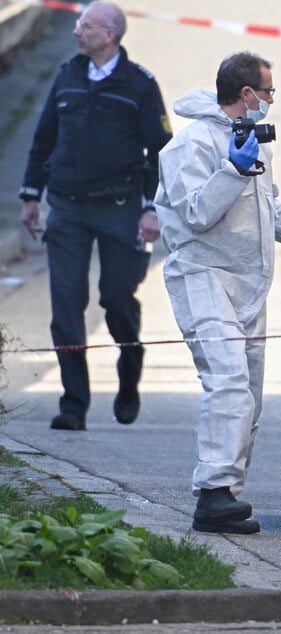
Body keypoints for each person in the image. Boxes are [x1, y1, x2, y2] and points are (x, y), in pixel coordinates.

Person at [154, 51, 281, 534]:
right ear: (246, 94)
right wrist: (231, 170)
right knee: (226, 382)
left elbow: (269, 207)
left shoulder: (252, 144)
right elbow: (198, 214)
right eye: (268, 91)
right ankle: (213, 495)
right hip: (202, 276)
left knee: (248, 394)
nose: (270, 100)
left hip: (246, 283)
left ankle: (228, 492)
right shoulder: (191, 146)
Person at [19, 1, 172, 432]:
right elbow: (43, 137)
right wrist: (31, 196)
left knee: (116, 295)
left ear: (109, 34)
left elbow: (162, 152)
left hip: (121, 208)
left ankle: (130, 361)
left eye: (84, 25)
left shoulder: (139, 85)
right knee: (66, 304)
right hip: (66, 207)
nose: (75, 32)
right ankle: (74, 404)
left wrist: (152, 208)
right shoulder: (67, 76)